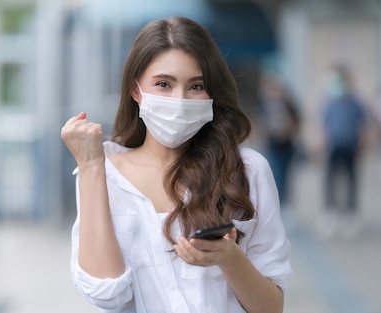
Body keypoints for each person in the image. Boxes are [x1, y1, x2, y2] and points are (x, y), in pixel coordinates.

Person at [60, 16, 292, 313]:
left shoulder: (248, 170)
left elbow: (271, 308)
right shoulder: (103, 174)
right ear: (135, 90)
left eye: (195, 86)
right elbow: (106, 293)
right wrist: (92, 165)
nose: (180, 100)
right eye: (164, 84)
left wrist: (229, 258)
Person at [318, 64, 367, 239]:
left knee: (351, 180)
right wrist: (322, 145)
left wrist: (362, 144)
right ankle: (330, 213)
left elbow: (362, 126)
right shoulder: (329, 103)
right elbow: (324, 126)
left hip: (350, 147)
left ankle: (350, 215)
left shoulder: (355, 103)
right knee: (330, 180)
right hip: (334, 148)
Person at [256, 74, 301, 212]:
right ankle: (276, 204)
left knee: (286, 176)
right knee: (275, 175)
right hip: (273, 146)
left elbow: (297, 122)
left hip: (287, 146)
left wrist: (289, 131)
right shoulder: (265, 106)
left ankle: (285, 205)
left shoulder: (288, 105)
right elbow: (260, 125)